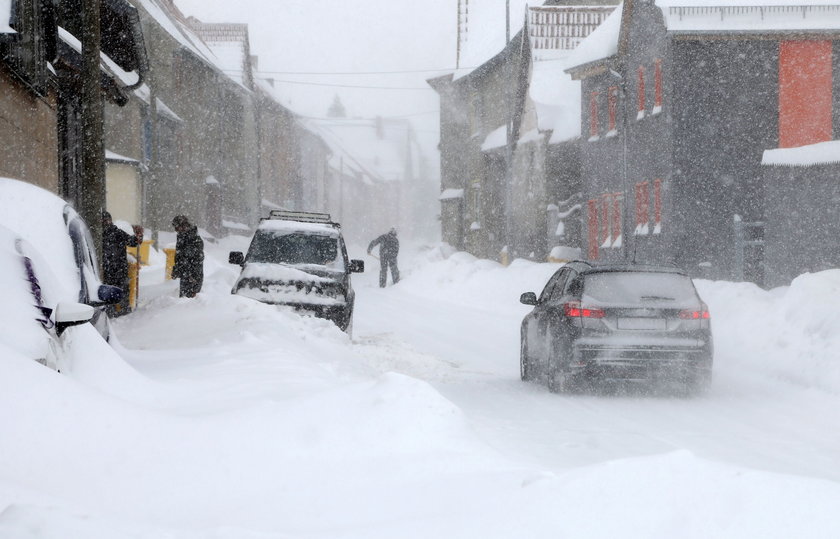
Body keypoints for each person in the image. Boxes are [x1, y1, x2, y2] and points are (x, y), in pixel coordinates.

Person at [101, 211, 143, 316]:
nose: (105, 222)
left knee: (121, 290)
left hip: (119, 268)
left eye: (106, 220)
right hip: (107, 269)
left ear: (110, 221)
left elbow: (132, 242)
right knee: (109, 292)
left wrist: (138, 237)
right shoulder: (99, 234)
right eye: (103, 220)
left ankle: (123, 311)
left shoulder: (116, 232)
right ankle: (111, 312)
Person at [171, 215, 204, 298]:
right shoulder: (181, 236)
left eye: (177, 227)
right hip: (185, 276)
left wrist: (194, 277)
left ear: (184, 225)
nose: (176, 230)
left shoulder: (195, 239)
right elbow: (179, 256)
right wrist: (176, 270)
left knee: (190, 305)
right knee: (183, 301)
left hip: (193, 278)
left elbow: (197, 260)